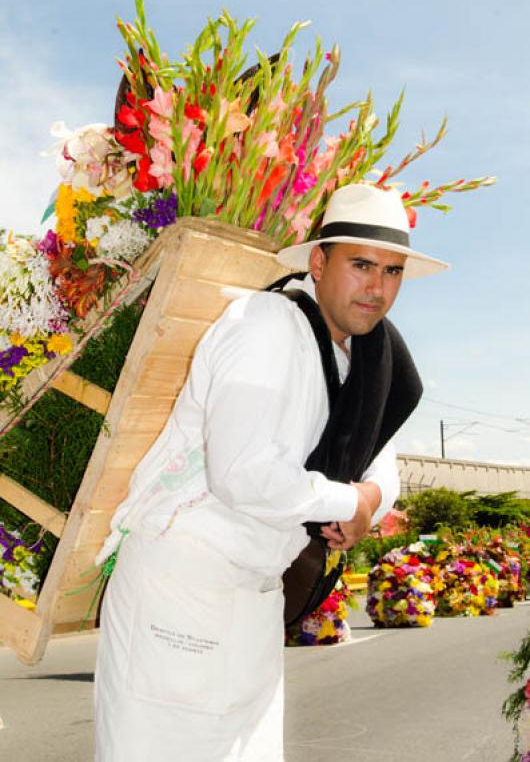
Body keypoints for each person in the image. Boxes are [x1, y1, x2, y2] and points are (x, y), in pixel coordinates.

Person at [94, 182, 448, 761]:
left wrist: (370, 498)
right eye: (361, 265)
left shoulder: (364, 357)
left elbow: (379, 458)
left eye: (391, 272)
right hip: (183, 583)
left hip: (253, 596)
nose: (376, 287)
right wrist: (344, 503)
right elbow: (244, 471)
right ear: (317, 260)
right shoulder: (266, 326)